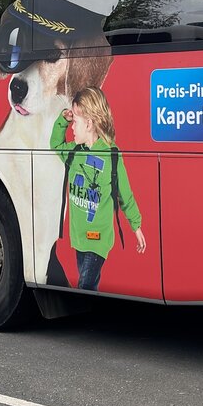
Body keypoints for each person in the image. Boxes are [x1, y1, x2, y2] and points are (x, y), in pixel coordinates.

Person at [50, 87, 146, 291]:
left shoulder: (111, 155)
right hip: (79, 238)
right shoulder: (74, 152)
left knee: (85, 287)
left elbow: (124, 194)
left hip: (99, 240)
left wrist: (136, 226)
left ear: (89, 123)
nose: (72, 128)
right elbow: (56, 144)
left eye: (75, 122)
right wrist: (63, 120)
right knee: (90, 287)